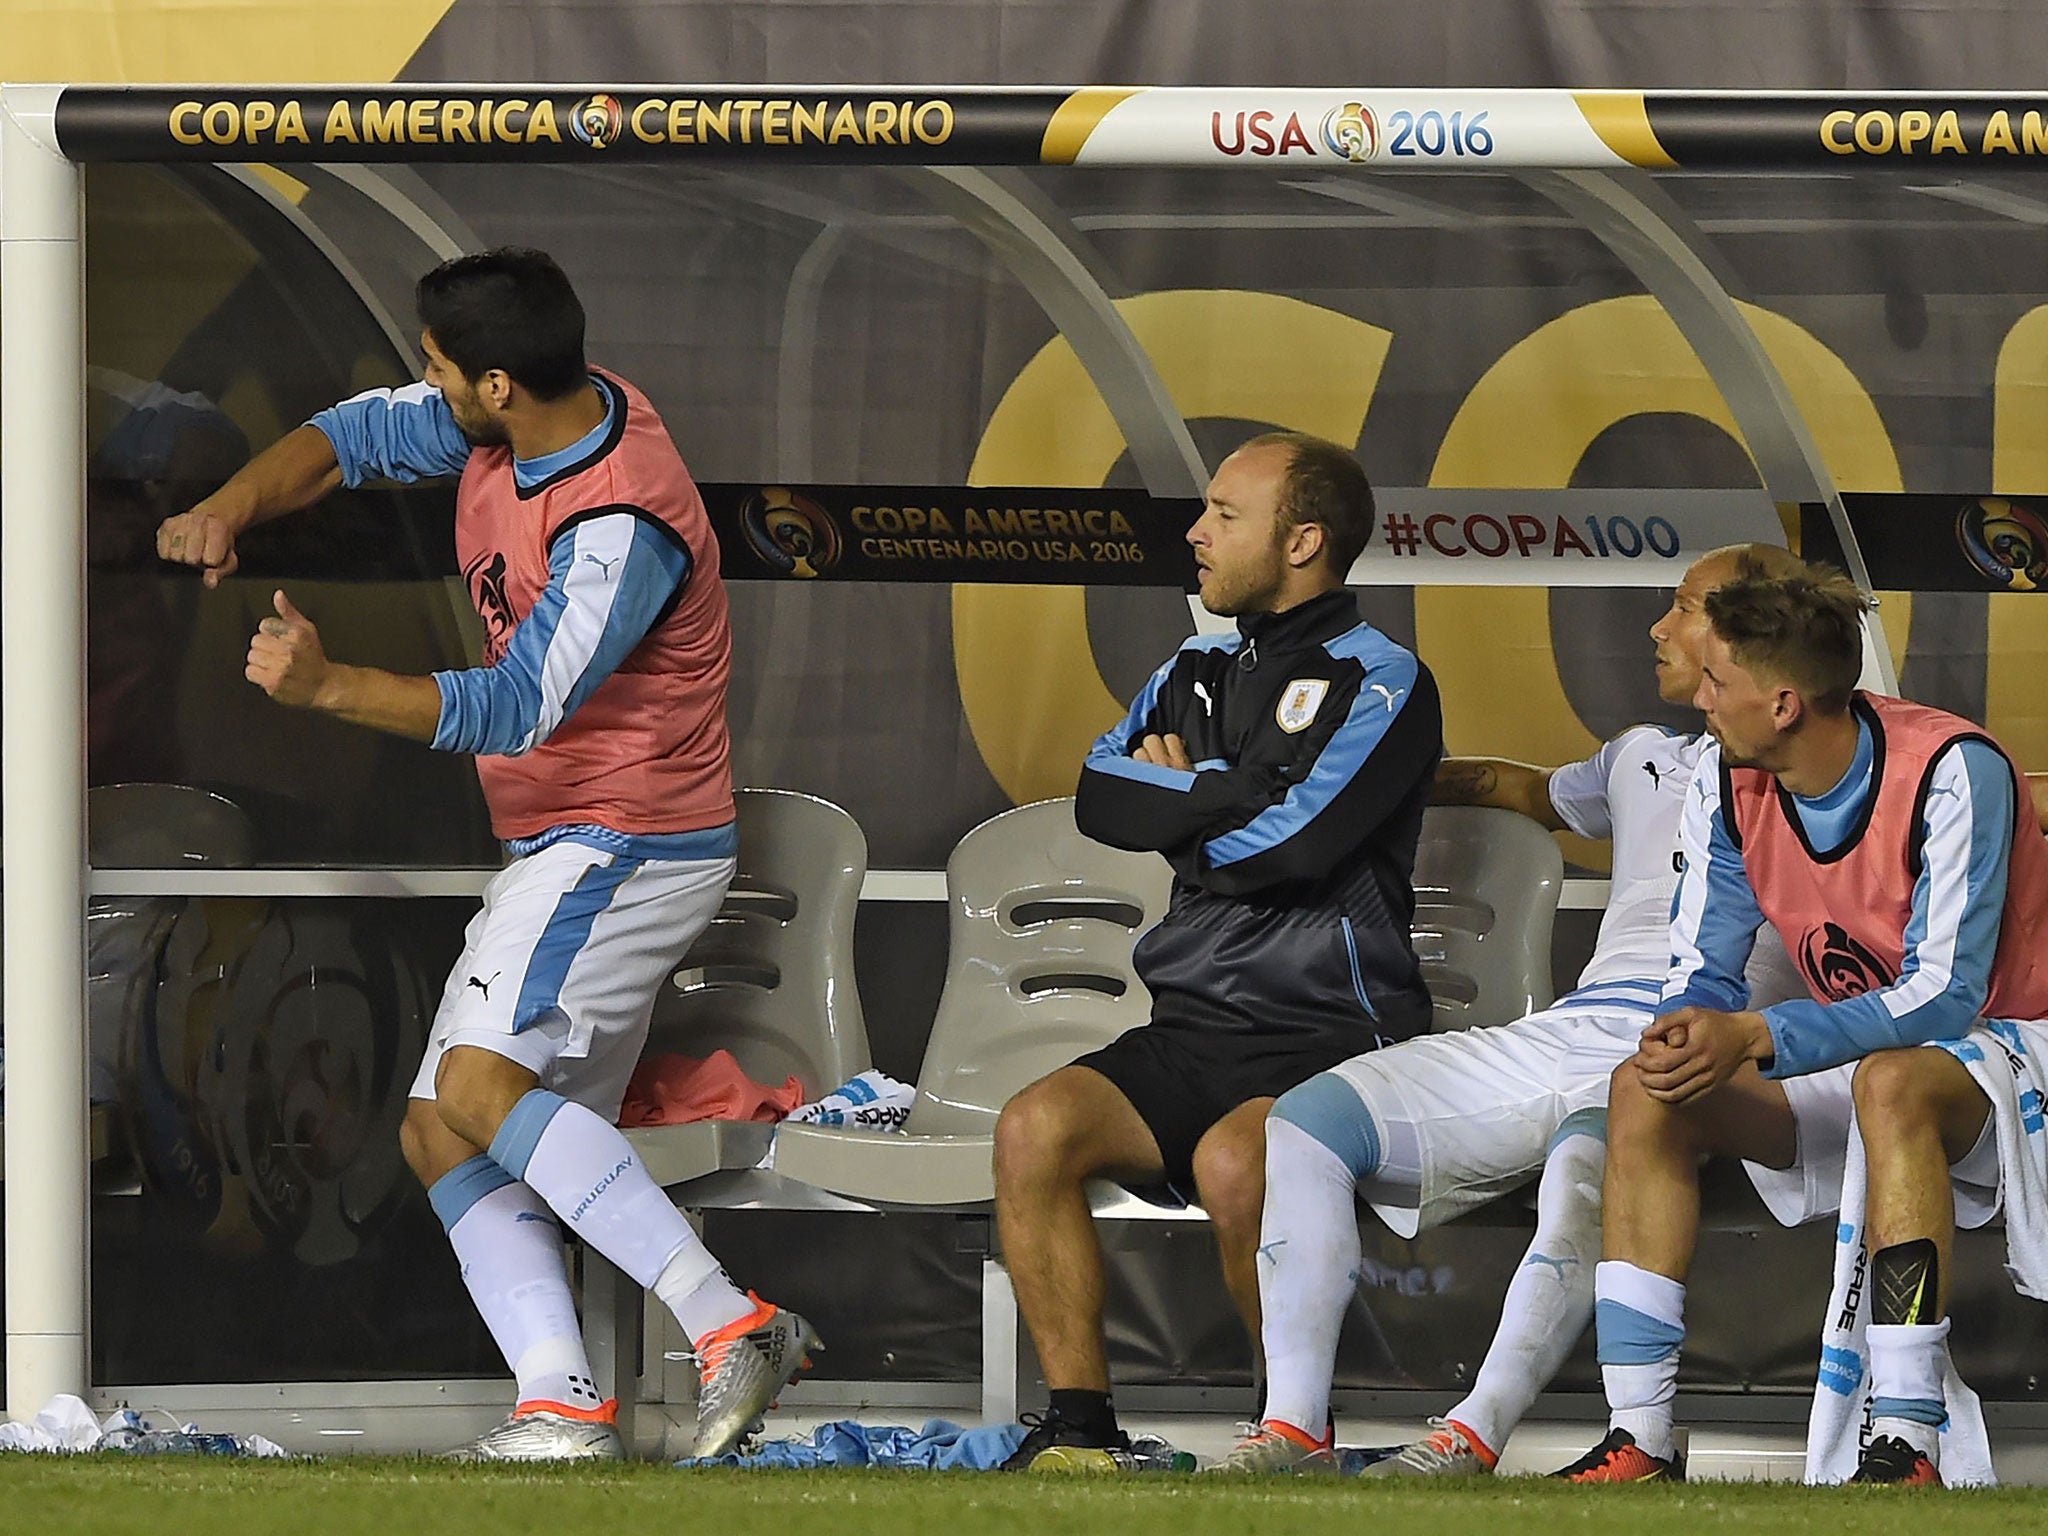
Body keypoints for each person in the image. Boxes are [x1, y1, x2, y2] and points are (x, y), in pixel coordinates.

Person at [155, 248, 814, 1463]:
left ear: (499, 382)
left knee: (469, 1092)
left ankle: (734, 1324)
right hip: (567, 843)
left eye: (440, 367)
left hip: (628, 841)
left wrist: (327, 684)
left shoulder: (621, 518)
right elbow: (348, 434)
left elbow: (520, 705)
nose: (427, 383)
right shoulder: (517, 422)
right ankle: (563, 1407)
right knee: (439, 1130)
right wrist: (231, 508)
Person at [1216, 543, 1833, 1476]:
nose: (1659, 627)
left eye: (1686, 607)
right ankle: (1294, 1427)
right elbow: (1529, 791)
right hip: (1573, 1027)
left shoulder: (1837, 774)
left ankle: (1470, 1436)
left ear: (1761, 636)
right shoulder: (1640, 757)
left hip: (1706, 1050)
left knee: (1594, 1159)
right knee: (1304, 1124)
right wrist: (1360, 774)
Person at [992, 431, 1443, 1472]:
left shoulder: (1382, 681)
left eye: (1224, 516)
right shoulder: (1192, 666)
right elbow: (1100, 797)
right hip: (1190, 1025)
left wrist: (1186, 796)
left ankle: (1287, 1432)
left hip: (1331, 1032)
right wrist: (1232, 786)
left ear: (1302, 541)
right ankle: (1080, 1433)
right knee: (1033, 1130)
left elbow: (1291, 850)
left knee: (1240, 1161)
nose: (1195, 534)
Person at [1556, 566, 2048, 1485]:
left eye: (1717, 685)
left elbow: (1947, 996)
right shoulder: (1727, 778)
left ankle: (1907, 1440)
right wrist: (1687, 1034)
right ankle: (1640, 1437)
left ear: (1783, 702)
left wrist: (1757, 1037)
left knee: (1893, 1080)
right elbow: (1700, 966)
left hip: (2016, 1048)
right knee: (1647, 1092)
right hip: (1857, 1041)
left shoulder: (1953, 769)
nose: (1699, 702)